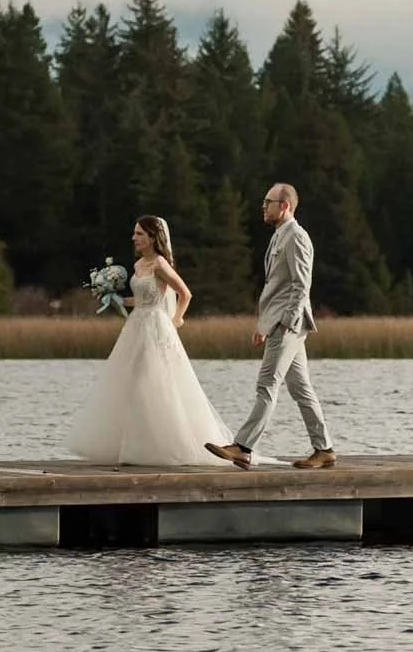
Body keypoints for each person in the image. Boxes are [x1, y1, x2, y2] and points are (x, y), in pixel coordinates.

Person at [65, 215, 231, 466]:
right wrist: (115, 299)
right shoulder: (139, 264)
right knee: (129, 382)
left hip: (156, 327)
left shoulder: (160, 264)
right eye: (134, 233)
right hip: (136, 326)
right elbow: (141, 299)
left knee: (151, 382)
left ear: (153, 237)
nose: (134, 238)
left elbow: (184, 293)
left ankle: (158, 445)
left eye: (140, 234)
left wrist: (176, 320)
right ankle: (130, 446)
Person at [206, 182, 335, 472]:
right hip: (278, 323)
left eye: (268, 202)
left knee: (266, 386)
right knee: (301, 389)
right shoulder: (280, 236)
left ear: (284, 205)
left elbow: (302, 285)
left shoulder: (296, 237)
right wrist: (263, 324)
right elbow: (277, 287)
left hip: (287, 325)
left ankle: (242, 447)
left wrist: (285, 323)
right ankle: (324, 449)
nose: (263, 207)